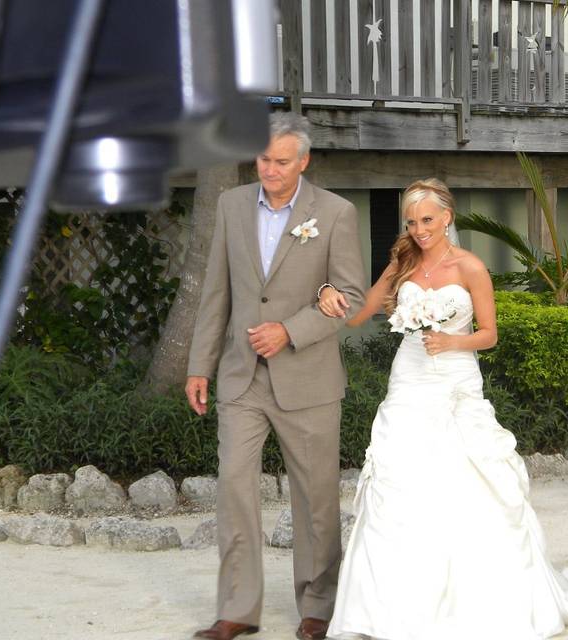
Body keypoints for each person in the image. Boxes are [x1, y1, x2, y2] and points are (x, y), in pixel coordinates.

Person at [317, 178, 568, 639]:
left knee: (466, 480)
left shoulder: (471, 267)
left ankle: (475, 604)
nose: (419, 230)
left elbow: (489, 334)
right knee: (399, 483)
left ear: (447, 217)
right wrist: (328, 293)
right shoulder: (403, 261)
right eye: (412, 222)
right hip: (409, 381)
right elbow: (361, 312)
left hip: (455, 382)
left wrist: (452, 340)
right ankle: (389, 608)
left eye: (428, 220)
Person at [185, 112, 366, 640]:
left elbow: (351, 299)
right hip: (241, 380)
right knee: (235, 491)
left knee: (315, 498)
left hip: (307, 379)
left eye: (281, 161)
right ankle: (238, 609)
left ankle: (317, 606)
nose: (269, 169)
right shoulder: (230, 205)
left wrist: (290, 330)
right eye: (263, 159)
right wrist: (200, 365)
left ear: (303, 161)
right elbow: (217, 292)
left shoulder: (335, 214)